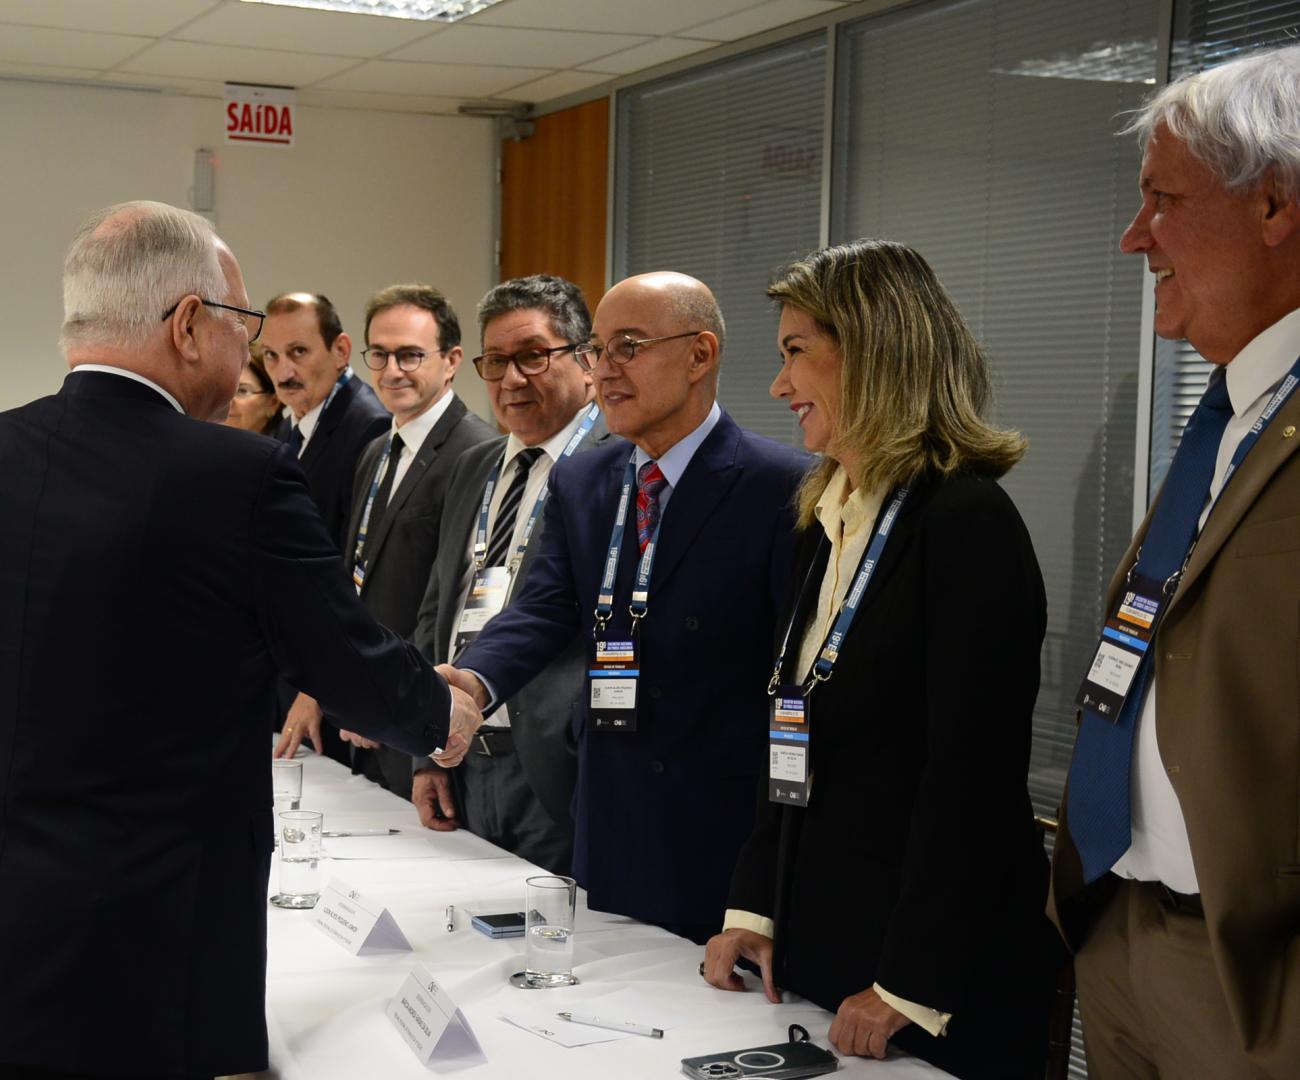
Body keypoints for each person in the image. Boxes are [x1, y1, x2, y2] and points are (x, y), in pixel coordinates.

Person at [0, 201, 484, 1080]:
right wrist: (444, 714)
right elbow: (339, 655)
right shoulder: (235, 478)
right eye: (243, 325)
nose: (251, 358)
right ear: (190, 325)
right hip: (125, 964)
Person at [700, 240, 1056, 1077]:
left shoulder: (967, 524)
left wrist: (910, 982)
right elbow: (792, 723)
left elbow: (971, 777)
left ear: (873, 352)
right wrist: (757, 908)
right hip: (831, 951)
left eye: (796, 353)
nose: (781, 386)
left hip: (931, 985)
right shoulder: (830, 514)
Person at [1051, 43, 1300, 1077]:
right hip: (1123, 928)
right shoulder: (1228, 415)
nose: (1133, 237)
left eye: (1163, 201)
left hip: (1254, 982)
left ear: (1275, 205)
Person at [443, 271, 808, 943]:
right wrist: (471, 679)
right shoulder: (586, 477)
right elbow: (543, 607)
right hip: (607, 813)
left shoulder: (778, 485)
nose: (604, 371)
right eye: (597, 350)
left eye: (628, 347)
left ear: (700, 355)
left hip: (716, 826)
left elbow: (791, 682)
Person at [403, 275, 607, 875]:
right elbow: (435, 610)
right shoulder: (476, 466)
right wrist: (425, 748)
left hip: (553, 766)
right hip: (464, 759)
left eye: (533, 357)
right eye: (496, 362)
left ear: (586, 360)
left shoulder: (614, 467)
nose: (511, 379)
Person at [279, 284, 496, 795]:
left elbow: (449, 607)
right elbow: (353, 579)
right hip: (368, 716)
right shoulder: (377, 449)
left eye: (411, 355)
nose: (392, 369)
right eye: (380, 354)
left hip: (421, 722)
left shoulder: (476, 452)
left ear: (452, 361)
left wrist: (397, 707)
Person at [258, 292, 390, 542]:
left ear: (341, 350)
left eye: (298, 351)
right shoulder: (289, 426)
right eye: (271, 355)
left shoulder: (370, 427)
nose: (283, 373)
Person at [223, 342, 286, 434]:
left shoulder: (289, 447)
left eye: (242, 391)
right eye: (221, 390)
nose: (224, 401)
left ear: (274, 403)